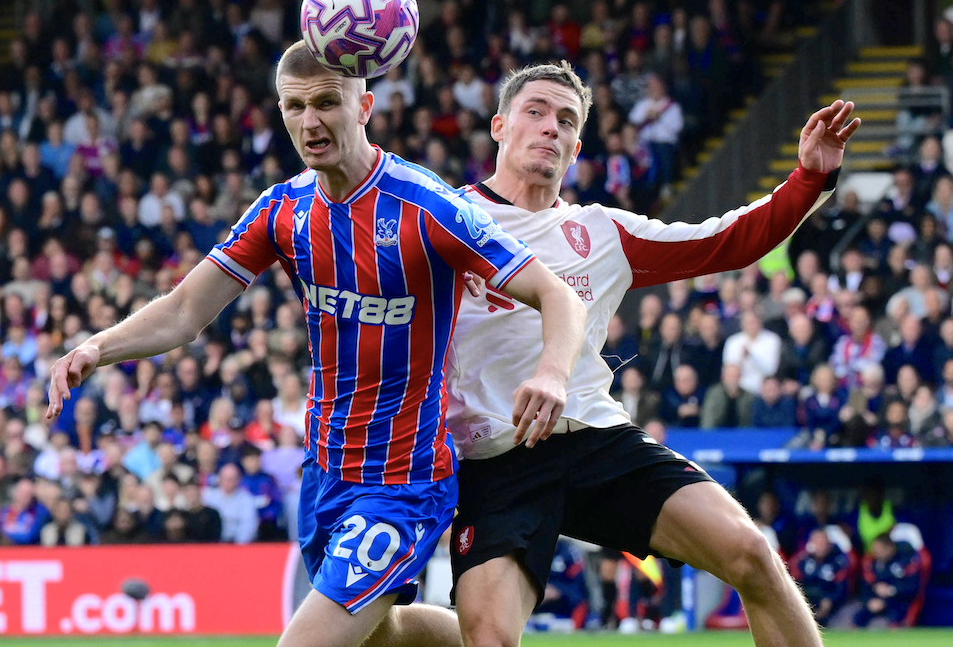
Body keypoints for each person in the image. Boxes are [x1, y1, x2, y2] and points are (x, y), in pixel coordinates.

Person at [47, 41, 586, 647]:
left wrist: (553, 373)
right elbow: (182, 312)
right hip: (325, 472)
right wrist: (98, 346)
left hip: (403, 480)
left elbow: (556, 294)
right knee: (385, 635)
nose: (310, 122)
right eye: (293, 106)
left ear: (364, 107)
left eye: (327, 102)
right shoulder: (284, 208)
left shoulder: (426, 206)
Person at [444, 61, 859, 647]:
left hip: (598, 440)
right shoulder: (443, 220)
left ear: (578, 144)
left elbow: (727, 241)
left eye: (566, 120)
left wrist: (809, 178)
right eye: (534, 112)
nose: (550, 129)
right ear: (499, 126)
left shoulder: (602, 232)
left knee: (752, 556)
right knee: (487, 640)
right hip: (495, 463)